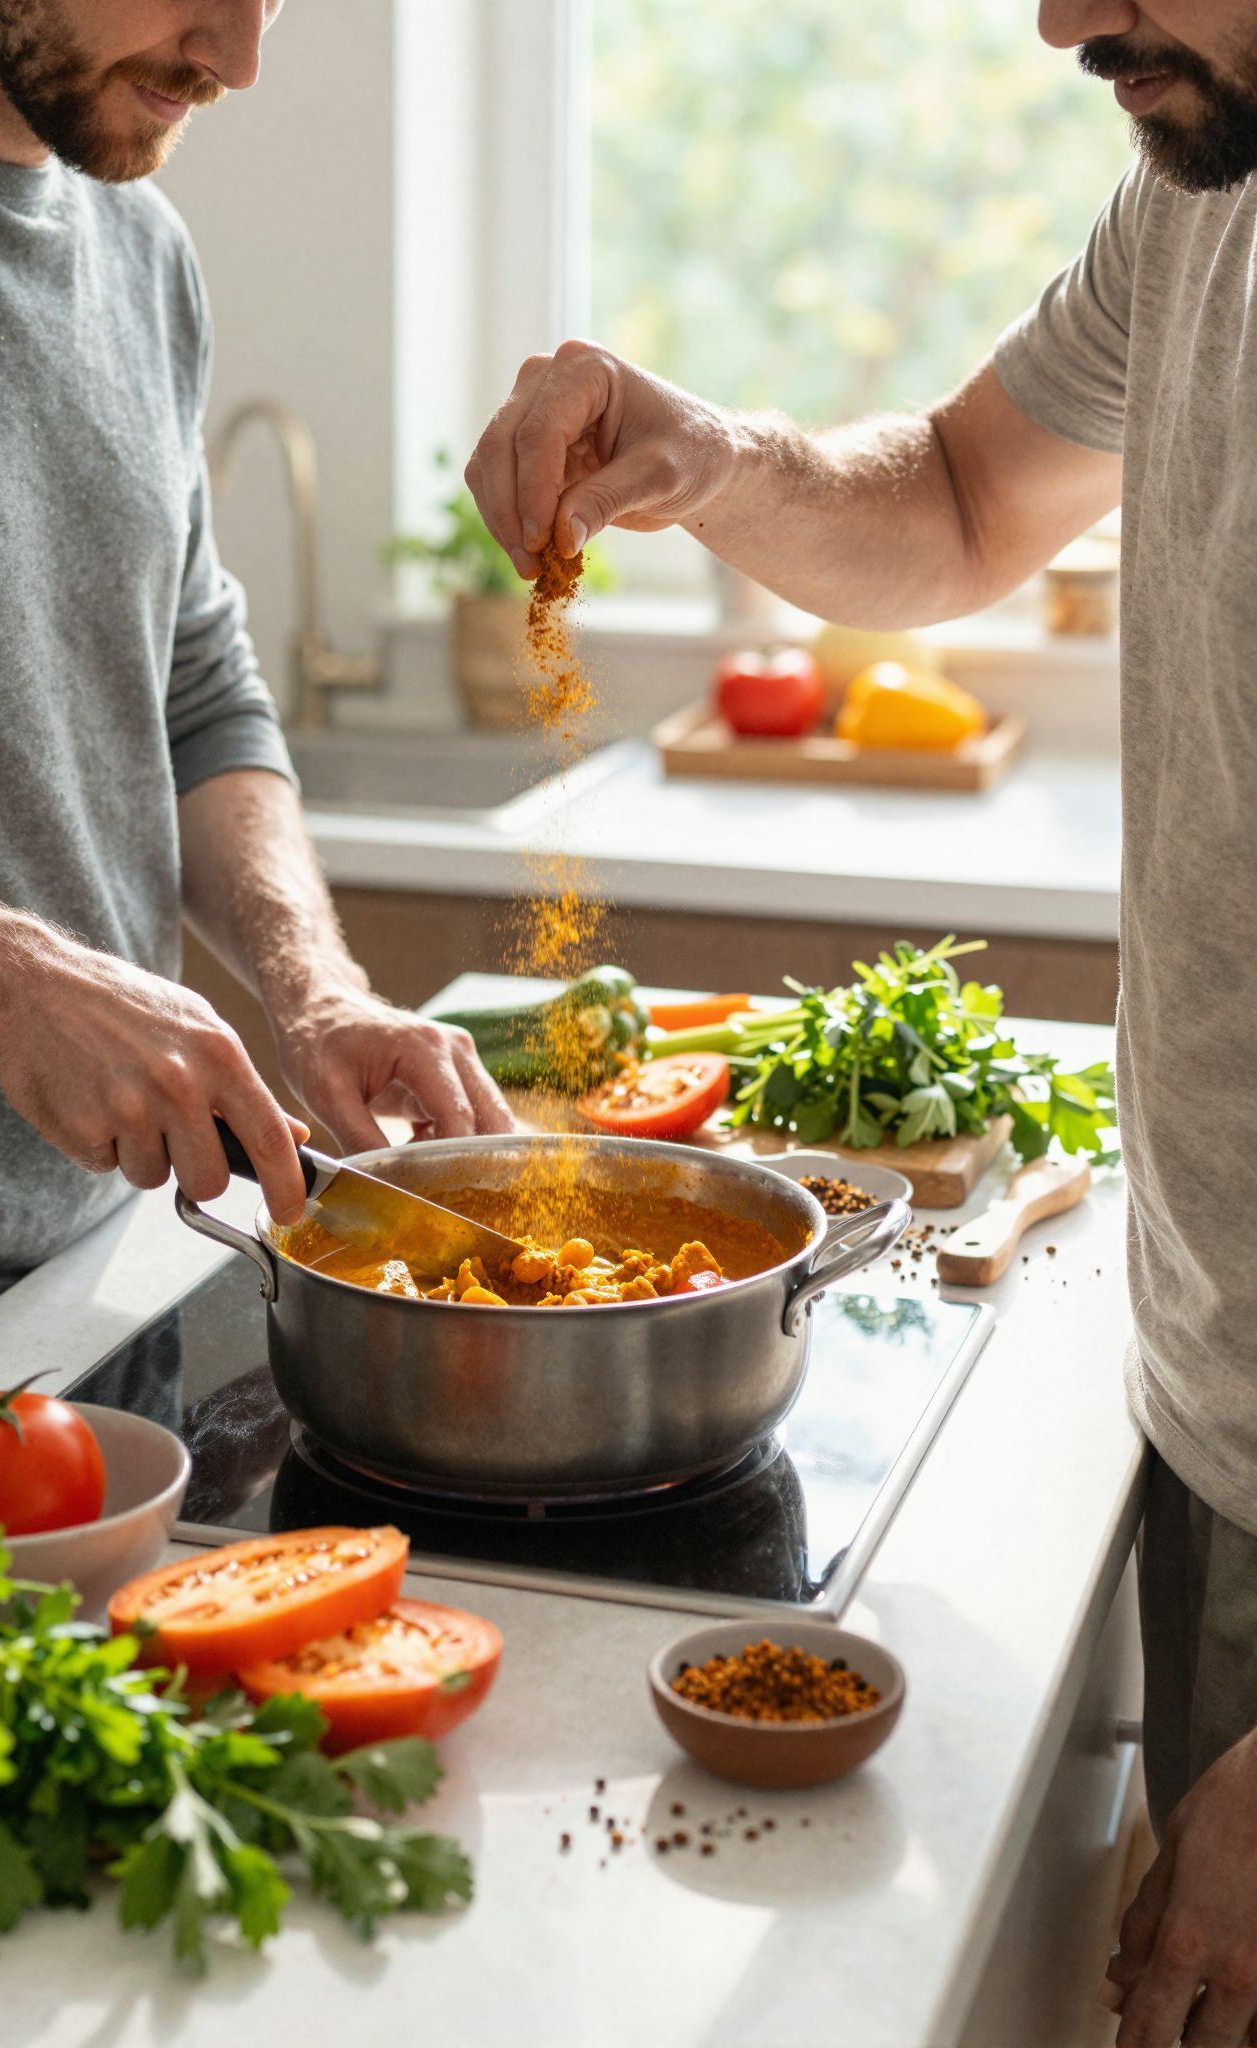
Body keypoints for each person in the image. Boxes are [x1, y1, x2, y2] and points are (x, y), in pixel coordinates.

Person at [468, 4, 1257, 2042]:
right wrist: (715, 456)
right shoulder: (1203, 182)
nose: (1061, 16)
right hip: (1214, 1405)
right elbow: (963, 503)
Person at [0, 0, 512, 1491]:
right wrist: (8, 983)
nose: (241, 54)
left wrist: (315, 989)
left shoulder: (139, 246)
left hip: (101, 1271)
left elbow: (193, 684)